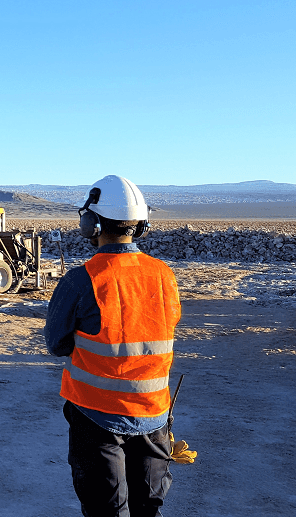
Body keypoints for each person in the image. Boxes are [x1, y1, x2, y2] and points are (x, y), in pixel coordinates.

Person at [44, 175, 180, 517]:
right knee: (148, 508)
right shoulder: (163, 275)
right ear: (141, 226)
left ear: (92, 223)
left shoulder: (81, 280)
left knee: (107, 510)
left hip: (97, 417)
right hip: (155, 415)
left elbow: (57, 344)